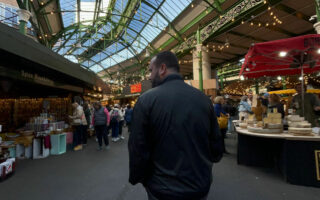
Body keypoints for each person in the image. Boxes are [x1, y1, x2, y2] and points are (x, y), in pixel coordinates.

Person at [128, 51, 223, 200]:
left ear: (162, 68)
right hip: (199, 185)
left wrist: (140, 178)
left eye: (151, 70)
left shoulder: (146, 100)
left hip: (161, 189)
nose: (149, 76)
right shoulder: (204, 100)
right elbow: (216, 147)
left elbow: (138, 148)